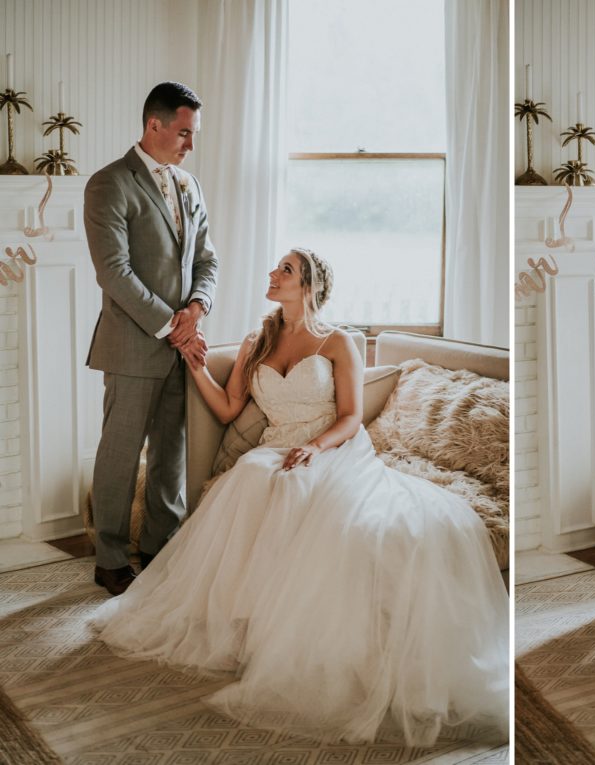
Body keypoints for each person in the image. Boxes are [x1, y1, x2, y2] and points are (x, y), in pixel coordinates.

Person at [90, 248, 509, 746]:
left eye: (284, 270)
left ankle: (318, 641)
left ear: (308, 286)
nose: (272, 273)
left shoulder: (338, 342)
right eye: (276, 268)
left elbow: (351, 415)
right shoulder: (258, 340)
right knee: (251, 476)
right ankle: (250, 626)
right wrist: (194, 362)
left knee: (304, 490)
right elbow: (227, 409)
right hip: (276, 448)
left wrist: (313, 446)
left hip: (333, 449)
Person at [84, 81, 217, 597]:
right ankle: (111, 559)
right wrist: (172, 326)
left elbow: (207, 259)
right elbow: (114, 273)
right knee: (121, 453)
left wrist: (198, 309)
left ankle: (161, 548)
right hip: (134, 345)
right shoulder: (108, 184)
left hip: (181, 347)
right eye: (184, 132)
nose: (190, 144)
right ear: (153, 125)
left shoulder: (191, 186)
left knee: (171, 454)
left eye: (194, 134)